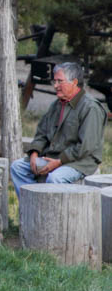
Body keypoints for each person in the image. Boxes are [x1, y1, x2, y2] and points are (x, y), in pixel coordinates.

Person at [10, 62, 106, 199]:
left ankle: (49, 216)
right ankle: (31, 208)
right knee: (17, 167)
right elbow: (41, 133)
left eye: (60, 81)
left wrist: (59, 161)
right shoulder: (56, 105)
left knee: (54, 178)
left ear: (74, 82)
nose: (55, 86)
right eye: (54, 81)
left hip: (80, 162)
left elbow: (85, 147)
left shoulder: (91, 108)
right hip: (53, 157)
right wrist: (34, 153)